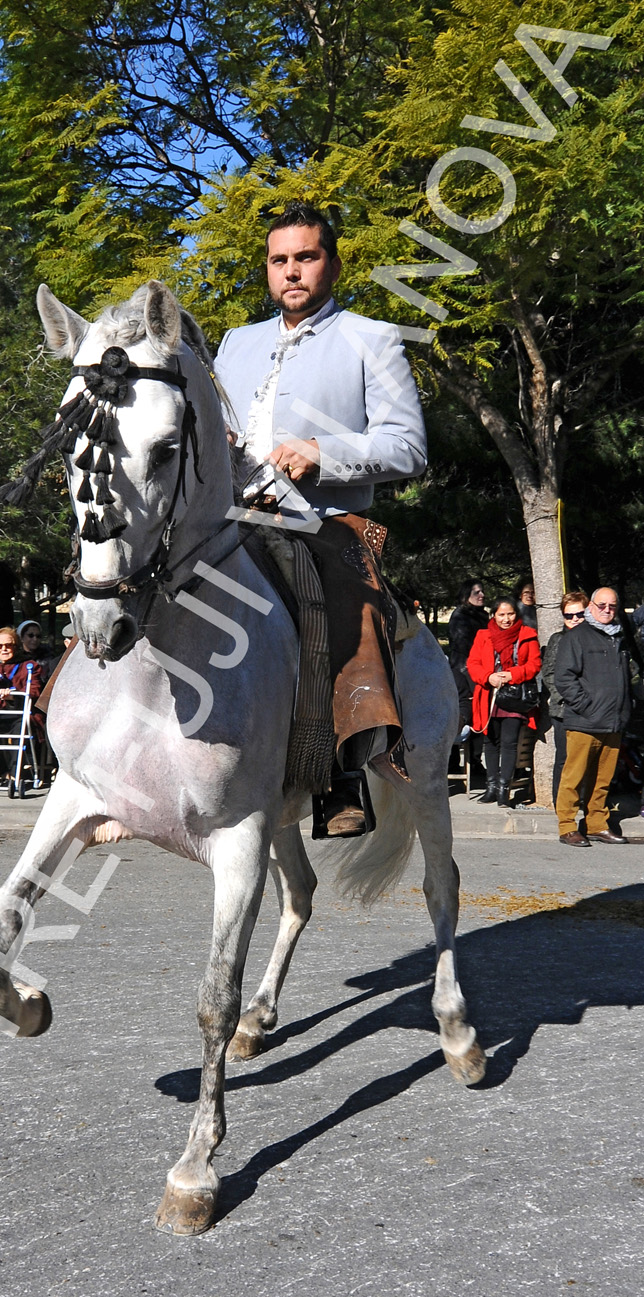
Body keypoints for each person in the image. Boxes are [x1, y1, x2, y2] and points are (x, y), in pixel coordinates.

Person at [214, 200, 427, 836]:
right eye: (279, 260)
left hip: (323, 523)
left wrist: (323, 453)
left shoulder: (372, 337)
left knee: (334, 602)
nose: (291, 271)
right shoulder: (235, 343)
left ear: (331, 264)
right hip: (230, 519)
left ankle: (342, 771)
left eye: (305, 257)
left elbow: (409, 448)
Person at [553, 587, 634, 846]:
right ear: (590, 607)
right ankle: (567, 827)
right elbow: (564, 677)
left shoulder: (619, 637)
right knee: (573, 777)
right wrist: (585, 705)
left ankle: (596, 823)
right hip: (584, 721)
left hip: (613, 721)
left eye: (612, 606)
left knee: (602, 779)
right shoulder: (576, 637)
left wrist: (626, 706)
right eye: (602, 605)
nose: (607, 610)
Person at [466, 595, 542, 806]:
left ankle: (503, 790)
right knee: (490, 742)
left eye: (510, 614)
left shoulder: (527, 635)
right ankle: (491, 787)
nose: (506, 619)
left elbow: (535, 664)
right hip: (489, 695)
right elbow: (473, 663)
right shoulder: (483, 635)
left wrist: (512, 675)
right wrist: (487, 677)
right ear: (493, 615)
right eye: (501, 615)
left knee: (509, 744)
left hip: (515, 697)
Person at [0, 626, 46, 778]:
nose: (4, 649)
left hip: (20, 712)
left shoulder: (28, 665)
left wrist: (13, 695)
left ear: (16, 646)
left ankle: (15, 772)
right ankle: (2, 771)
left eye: (8, 645)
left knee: (19, 730)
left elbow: (35, 690)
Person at [541, 590, 589, 807]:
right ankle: (561, 803)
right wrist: (567, 697)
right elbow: (549, 673)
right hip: (564, 709)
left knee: (588, 758)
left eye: (579, 614)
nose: (574, 619)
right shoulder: (558, 640)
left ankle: (585, 800)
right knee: (564, 758)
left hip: (591, 709)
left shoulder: (595, 639)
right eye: (569, 616)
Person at [447, 579, 488, 783]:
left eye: (482, 591)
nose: (481, 595)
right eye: (476, 592)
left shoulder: (482, 615)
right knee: (463, 714)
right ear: (465, 596)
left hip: (479, 670)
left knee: (480, 717)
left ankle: (475, 760)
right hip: (464, 672)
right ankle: (454, 762)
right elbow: (463, 647)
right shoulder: (460, 616)